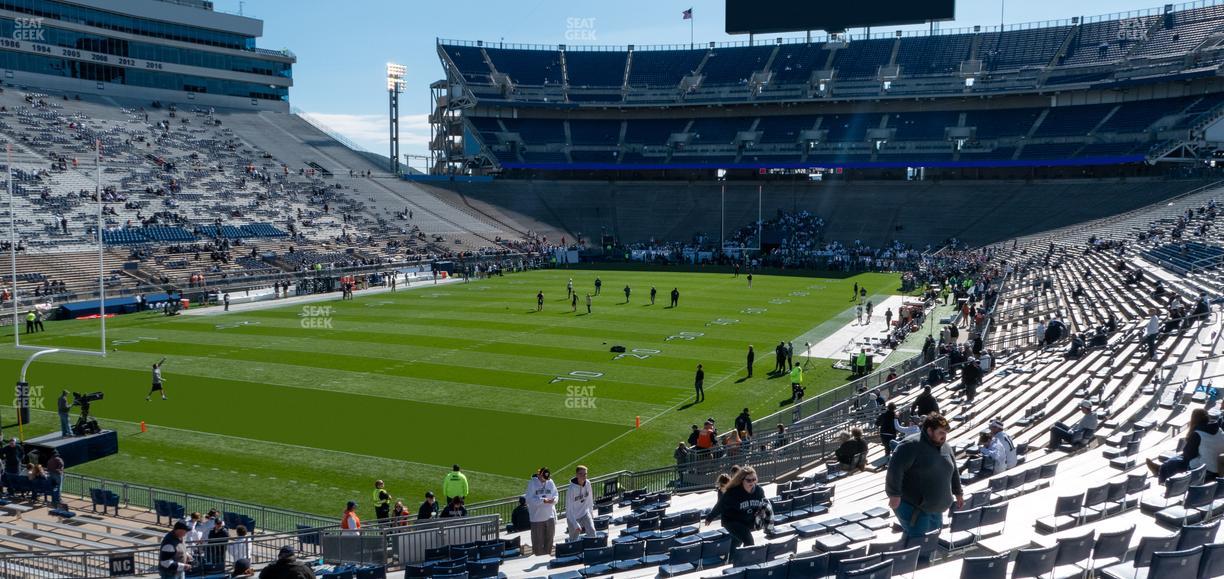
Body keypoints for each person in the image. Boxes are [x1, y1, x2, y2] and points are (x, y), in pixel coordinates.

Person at [885, 413, 964, 538]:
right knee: (918, 543)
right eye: (941, 432)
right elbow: (895, 470)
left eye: (946, 433)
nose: (944, 436)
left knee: (930, 542)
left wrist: (958, 493)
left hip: (937, 508)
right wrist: (894, 494)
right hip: (915, 508)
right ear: (929, 430)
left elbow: (954, 471)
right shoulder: (910, 445)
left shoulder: (946, 447)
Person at [703, 466, 767, 556]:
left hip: (746, 520)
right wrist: (710, 517)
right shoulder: (733, 493)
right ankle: (744, 563)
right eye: (749, 480)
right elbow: (720, 505)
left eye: (754, 479)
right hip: (731, 521)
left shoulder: (759, 491)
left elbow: (764, 504)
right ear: (742, 480)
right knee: (749, 540)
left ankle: (731, 558)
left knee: (737, 541)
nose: (752, 482)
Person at [1148, 408, 1223, 481]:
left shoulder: (1198, 434)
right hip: (1219, 467)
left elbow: (1189, 455)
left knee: (1179, 462)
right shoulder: (1219, 430)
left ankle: (1159, 471)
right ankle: (1160, 469)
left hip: (1208, 470)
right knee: (1179, 457)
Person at [526, 467, 558, 556]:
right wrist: (542, 500)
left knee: (550, 538)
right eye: (544, 478)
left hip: (550, 515)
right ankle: (539, 556)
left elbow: (556, 494)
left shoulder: (550, 482)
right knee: (538, 542)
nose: (545, 480)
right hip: (537, 518)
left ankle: (547, 556)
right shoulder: (532, 483)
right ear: (539, 475)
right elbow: (528, 499)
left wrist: (554, 500)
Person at [565, 465, 596, 541]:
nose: (583, 476)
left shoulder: (588, 483)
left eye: (585, 474)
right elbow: (568, 510)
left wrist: (591, 515)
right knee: (573, 540)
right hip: (573, 517)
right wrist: (575, 524)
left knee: (592, 532)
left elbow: (590, 500)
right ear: (576, 475)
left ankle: (590, 550)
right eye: (581, 474)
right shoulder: (571, 489)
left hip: (585, 513)